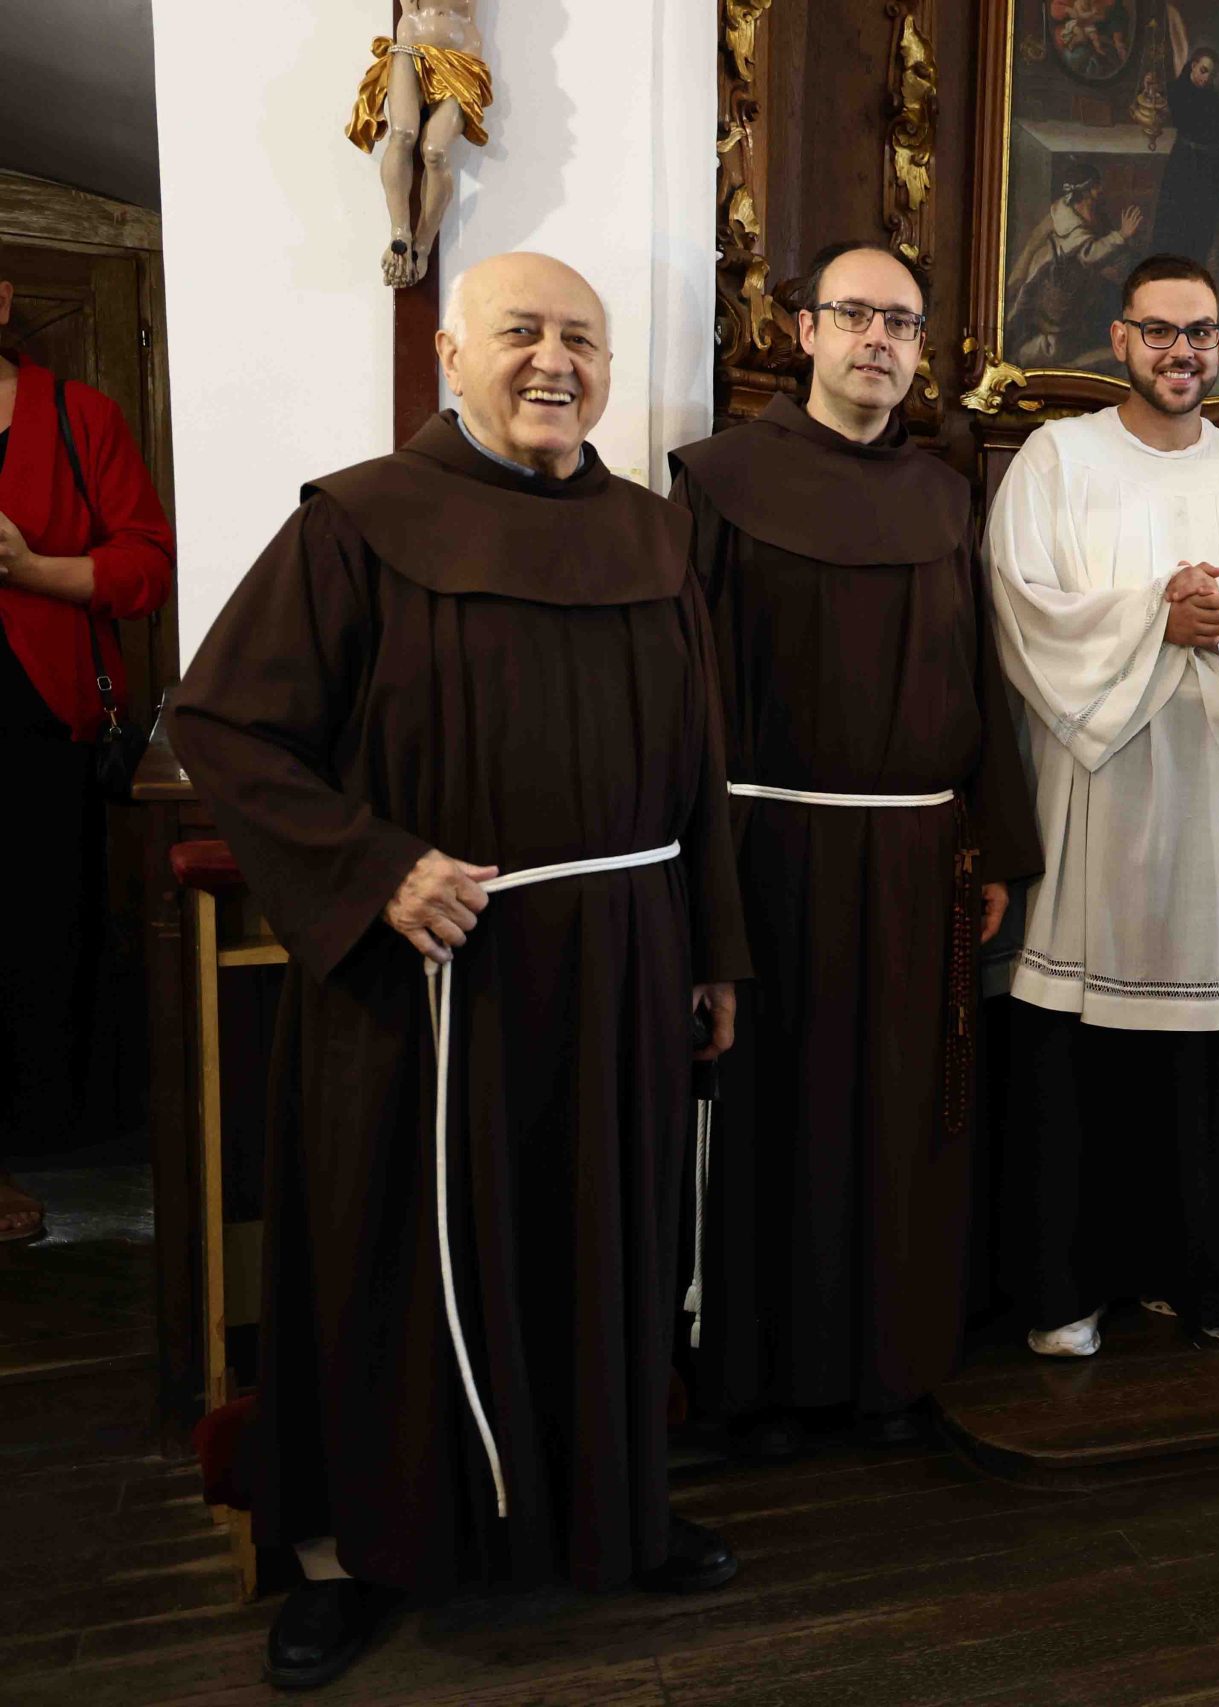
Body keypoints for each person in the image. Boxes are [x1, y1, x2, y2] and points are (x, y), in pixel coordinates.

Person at [170, 253, 752, 1690]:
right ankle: (359, 1554)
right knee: (389, 1260)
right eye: (523, 332)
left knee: (608, 1243)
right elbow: (222, 724)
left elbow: (699, 762)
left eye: (583, 340)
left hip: (622, 962)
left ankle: (614, 1507)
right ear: (450, 353)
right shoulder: (359, 523)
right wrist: (377, 867)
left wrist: (714, 948)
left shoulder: (653, 536)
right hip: (433, 973)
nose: (556, 361)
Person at [667, 242, 1041, 1457]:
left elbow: (976, 668)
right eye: (856, 315)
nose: (879, 339)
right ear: (805, 332)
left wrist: (993, 844)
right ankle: (758, 1384)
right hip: (766, 854)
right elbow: (683, 690)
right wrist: (695, 870)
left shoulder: (943, 494)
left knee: (903, 1119)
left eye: (902, 322)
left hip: (919, 860)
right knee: (776, 1118)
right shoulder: (717, 480)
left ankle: (892, 1372)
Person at [986, 253, 1219, 1357]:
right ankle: (1069, 1292)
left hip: (1217, 798)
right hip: (1096, 791)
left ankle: (1212, 1281)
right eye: (1160, 331)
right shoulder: (1056, 458)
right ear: (1121, 337)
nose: (1181, 351)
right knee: (1080, 1056)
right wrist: (1153, 615)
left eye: (1201, 333)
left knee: (1209, 1061)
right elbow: (1023, 604)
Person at [0, 276, 176, 1246]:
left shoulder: (78, 414)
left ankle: (33, 1147)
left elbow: (147, 567)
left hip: (41, 733)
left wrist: (31, 569)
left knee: (41, 938)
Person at [345, 0, 491, 288]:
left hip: (461, 59)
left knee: (435, 152)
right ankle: (400, 234)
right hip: (410, 48)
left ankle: (422, 245)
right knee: (402, 133)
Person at [1008, 164, 1147, 364]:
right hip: (1057, 283)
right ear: (1086, 190)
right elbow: (1089, 254)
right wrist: (1122, 235)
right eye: (1096, 185)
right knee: (1052, 340)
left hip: (1078, 283)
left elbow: (1101, 244)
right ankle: (1022, 356)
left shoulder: (1091, 211)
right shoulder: (1069, 221)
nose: (1100, 189)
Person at [1153, 40, 1219, 266]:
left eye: (1211, 75)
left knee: (1199, 226)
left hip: (1206, 170)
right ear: (1193, 65)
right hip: (1183, 164)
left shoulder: (1216, 102)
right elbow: (1153, 101)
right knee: (1174, 222)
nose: (1206, 78)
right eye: (1203, 71)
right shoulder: (1174, 90)